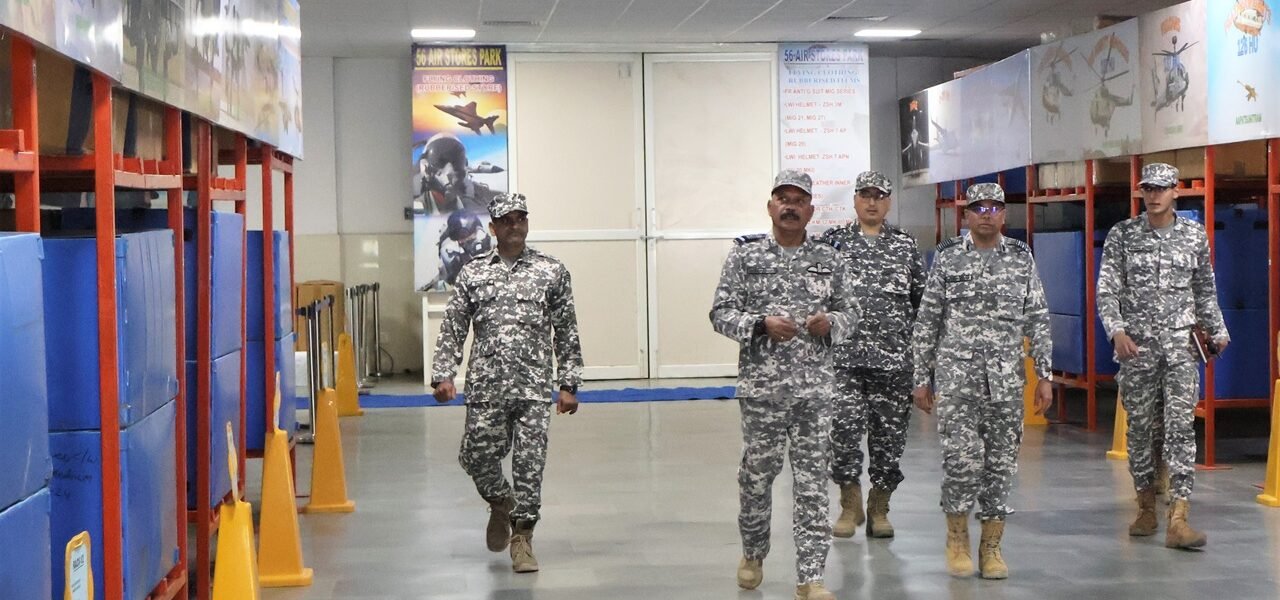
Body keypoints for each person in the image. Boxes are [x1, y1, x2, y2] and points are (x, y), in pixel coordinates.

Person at [710, 169, 860, 600]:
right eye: (783, 199)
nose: (791, 206)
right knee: (757, 477)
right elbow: (720, 313)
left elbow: (852, 314)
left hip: (814, 393)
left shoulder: (831, 260)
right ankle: (753, 552)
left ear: (811, 210)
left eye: (799, 200)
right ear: (770, 206)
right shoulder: (745, 257)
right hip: (762, 393)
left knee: (813, 483)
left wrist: (829, 323)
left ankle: (811, 576)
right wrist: (759, 324)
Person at [430, 192, 584, 573]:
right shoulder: (473, 272)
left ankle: (523, 539)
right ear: (493, 228)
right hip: (486, 387)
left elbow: (566, 330)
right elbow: (453, 327)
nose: (516, 225)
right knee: (476, 457)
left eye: (521, 218)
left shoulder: (551, 271)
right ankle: (501, 502)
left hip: (532, 388)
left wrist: (569, 383)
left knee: (530, 465)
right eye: (507, 220)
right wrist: (444, 374)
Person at [910, 182, 1053, 580]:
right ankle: (957, 536)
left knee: (1001, 465)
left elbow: (1038, 316)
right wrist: (921, 378)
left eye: (994, 207)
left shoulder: (1020, 257)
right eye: (978, 208)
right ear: (966, 215)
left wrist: (1045, 375)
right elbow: (928, 321)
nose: (987, 213)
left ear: (1005, 214)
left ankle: (991, 545)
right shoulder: (949, 257)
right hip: (958, 380)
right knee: (961, 461)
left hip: (1006, 382)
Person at [1096, 162, 1229, 550]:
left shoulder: (1193, 235)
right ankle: (1145, 506)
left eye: (1160, 188)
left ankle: (1180, 517)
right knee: (1140, 429)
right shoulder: (1123, 235)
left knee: (1180, 428)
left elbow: (1204, 286)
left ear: (1175, 192)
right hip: (1137, 350)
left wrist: (1217, 331)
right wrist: (1116, 330)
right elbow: (1107, 290)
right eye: (1147, 189)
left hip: (1181, 348)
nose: (1153, 195)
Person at [818, 170, 925, 539]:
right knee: (843, 433)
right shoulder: (833, 243)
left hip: (893, 362)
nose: (872, 202)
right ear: (855, 200)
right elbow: (820, 298)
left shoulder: (905, 245)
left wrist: (922, 362)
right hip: (843, 360)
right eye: (865, 195)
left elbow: (920, 302)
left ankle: (880, 507)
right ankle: (850, 504)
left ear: (889, 202)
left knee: (889, 440)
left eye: (879, 196)